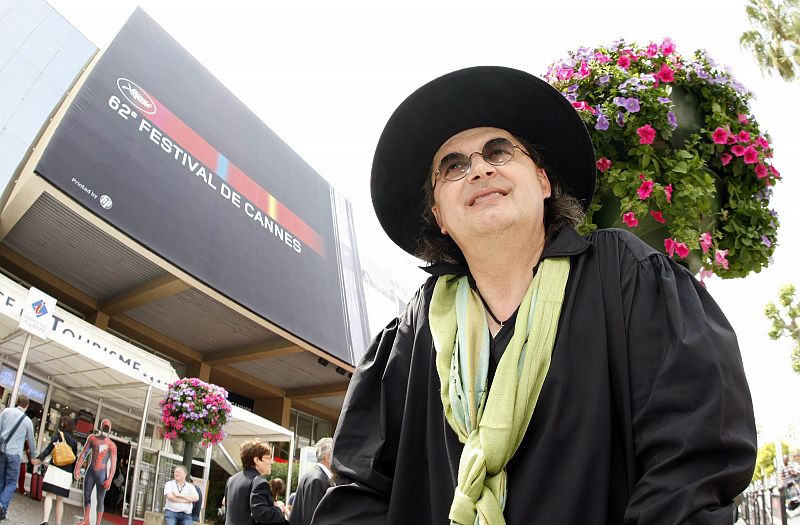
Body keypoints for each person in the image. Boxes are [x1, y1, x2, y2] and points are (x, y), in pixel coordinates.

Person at [311, 66, 758, 524]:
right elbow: (357, 491)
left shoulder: (626, 276)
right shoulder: (414, 330)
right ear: (439, 215)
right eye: (453, 166)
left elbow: (692, 458)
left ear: (543, 183)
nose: (480, 168)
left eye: (499, 152)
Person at [224, 439, 287, 525]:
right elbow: (261, 514)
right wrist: (279, 509)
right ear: (256, 460)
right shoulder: (259, 482)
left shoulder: (231, 480)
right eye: (268, 458)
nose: (271, 462)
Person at [34, 416, 78, 525]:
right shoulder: (74, 442)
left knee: (49, 495)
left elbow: (49, 448)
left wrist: (39, 458)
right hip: (66, 473)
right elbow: (74, 459)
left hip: (55, 469)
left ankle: (45, 520)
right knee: (60, 499)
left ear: (64, 424)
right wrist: (73, 476)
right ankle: (58, 523)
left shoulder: (59, 435)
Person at [73, 418, 117, 525]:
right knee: (86, 495)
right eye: (104, 427)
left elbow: (113, 465)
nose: (105, 429)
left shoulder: (111, 445)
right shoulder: (92, 438)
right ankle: (86, 519)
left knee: (100, 500)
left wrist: (110, 479)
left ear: (110, 430)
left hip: (102, 473)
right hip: (91, 471)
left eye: (107, 428)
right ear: (101, 427)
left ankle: (97, 523)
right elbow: (84, 453)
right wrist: (77, 468)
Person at [0, 394, 36, 520]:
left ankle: (2, 509)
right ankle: (2, 505)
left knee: (1, 479)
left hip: (2, 451)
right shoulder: (28, 421)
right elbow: (31, 442)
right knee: (11, 483)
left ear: (16, 402)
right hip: (15, 455)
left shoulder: (6, 412)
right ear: (27, 406)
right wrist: (33, 457)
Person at [289, 438, 333, 525]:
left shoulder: (315, 475)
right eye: (336, 455)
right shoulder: (317, 478)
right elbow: (313, 518)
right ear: (328, 457)